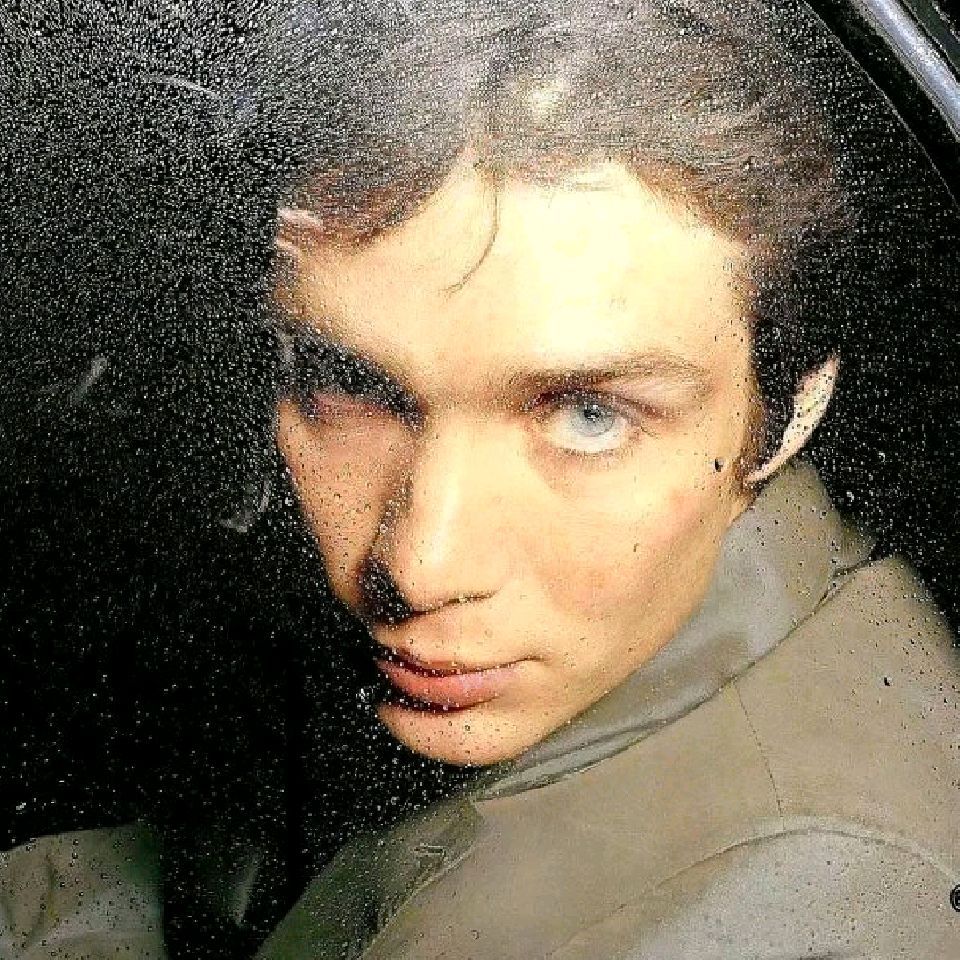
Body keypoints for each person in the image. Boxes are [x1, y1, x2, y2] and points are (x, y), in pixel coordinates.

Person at [243, 0, 960, 957]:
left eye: (590, 415)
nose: (419, 566)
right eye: (355, 385)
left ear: (792, 413)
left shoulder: (796, 906)